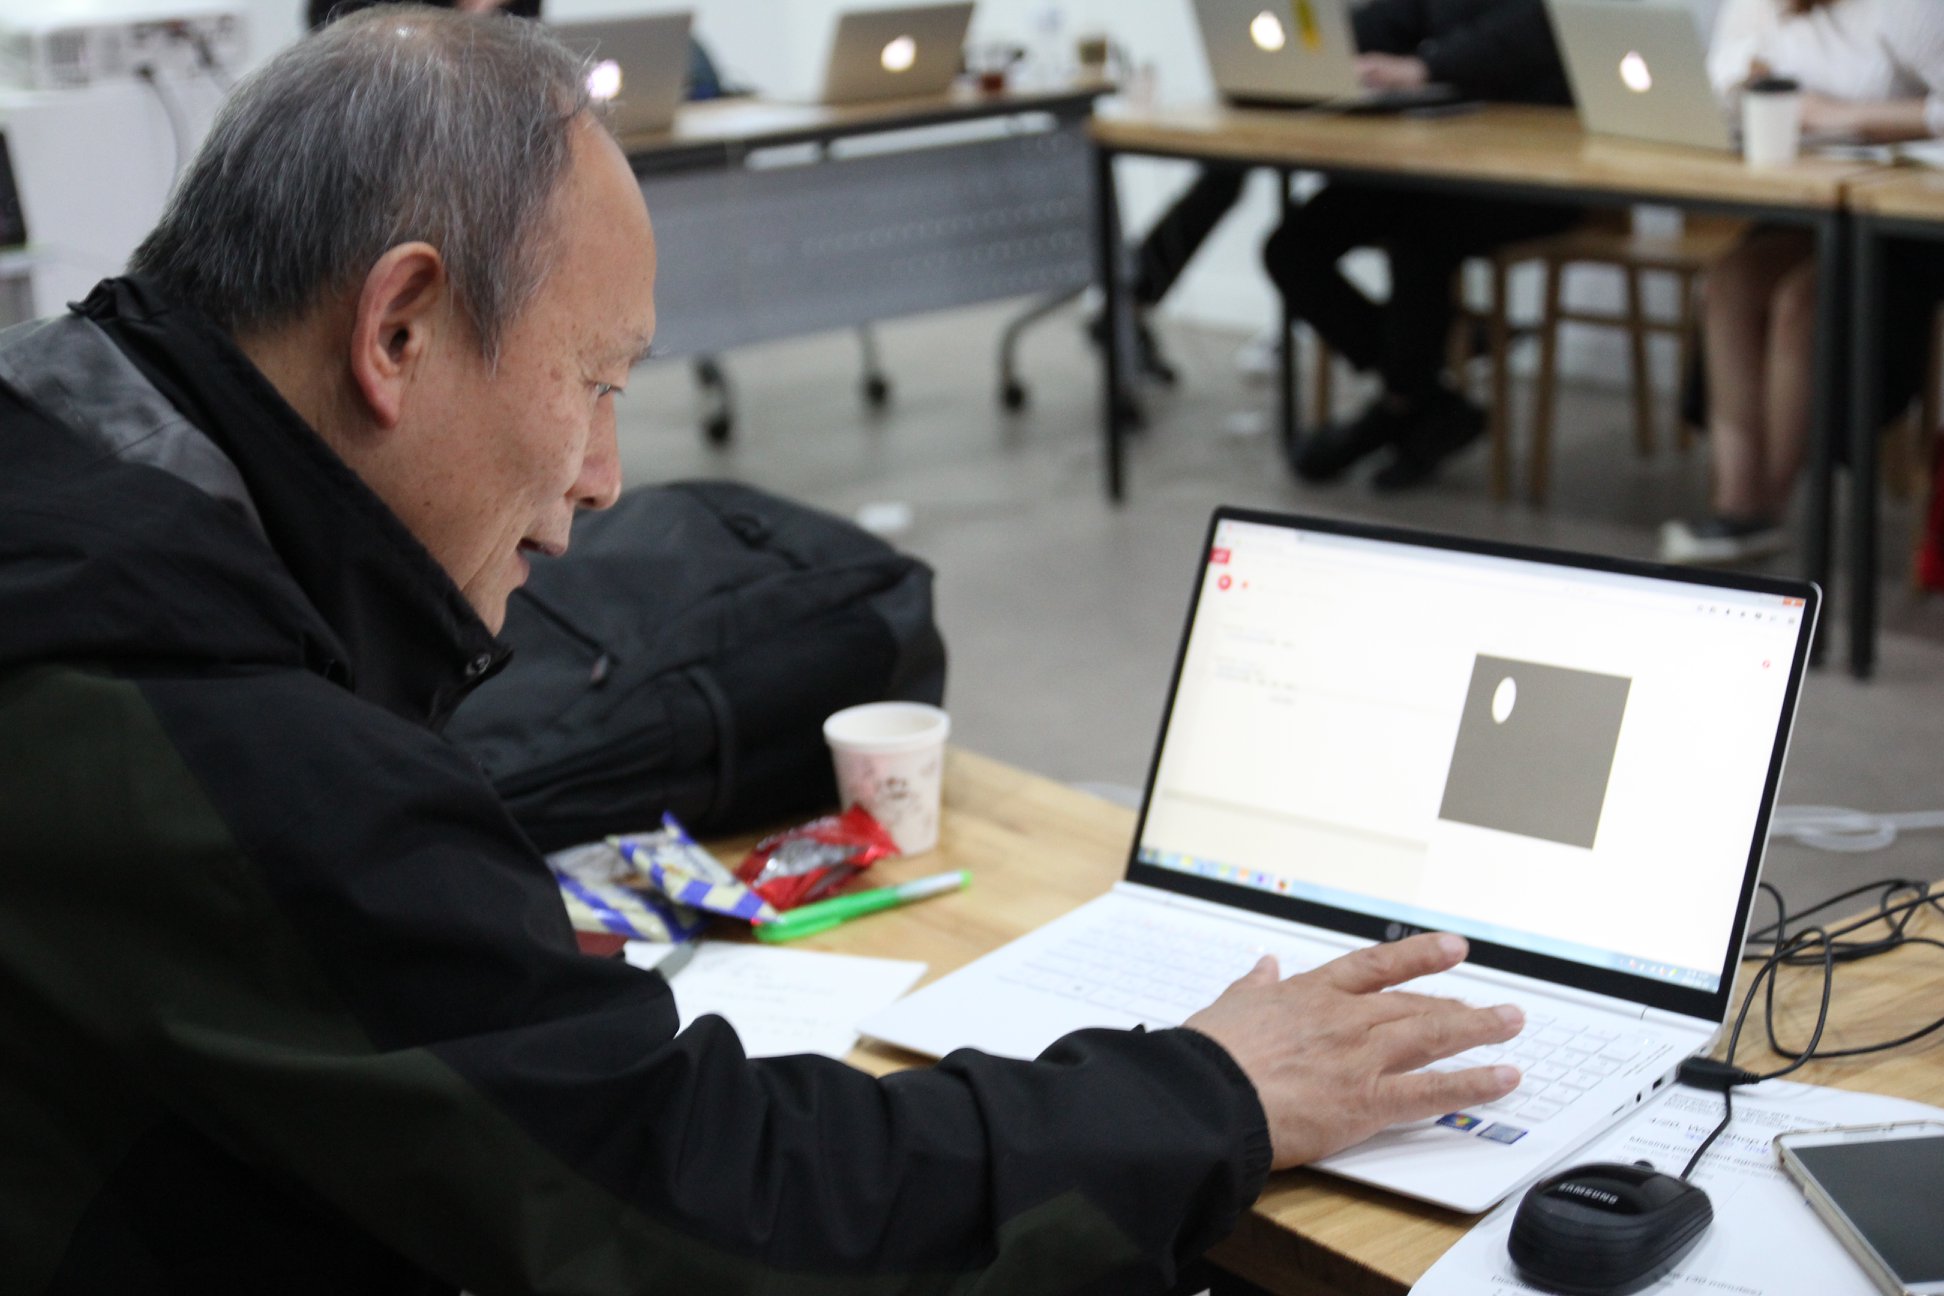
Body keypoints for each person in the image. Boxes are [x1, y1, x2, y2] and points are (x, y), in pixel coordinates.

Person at [0, 11, 1527, 1292]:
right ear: (399, 327)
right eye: (595, 381)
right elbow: (693, 1211)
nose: (604, 472)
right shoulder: (203, 730)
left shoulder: (66, 457)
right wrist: (1214, 1090)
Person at [1659, 0, 1944, 564]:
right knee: (1730, 282)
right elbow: (1723, 82)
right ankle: (1738, 503)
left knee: (1802, 300)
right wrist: (1755, 92)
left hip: (1906, 218)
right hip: (1805, 201)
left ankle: (1769, 504)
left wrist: (1835, 114)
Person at [1263, 0, 1584, 492]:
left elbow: (1531, 29)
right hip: (1432, 167)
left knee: (1421, 235)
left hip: (1536, 174)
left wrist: (1424, 68)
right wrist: (1320, 51)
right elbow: (1394, 17)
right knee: (1293, 246)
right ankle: (1427, 399)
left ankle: (1402, 401)